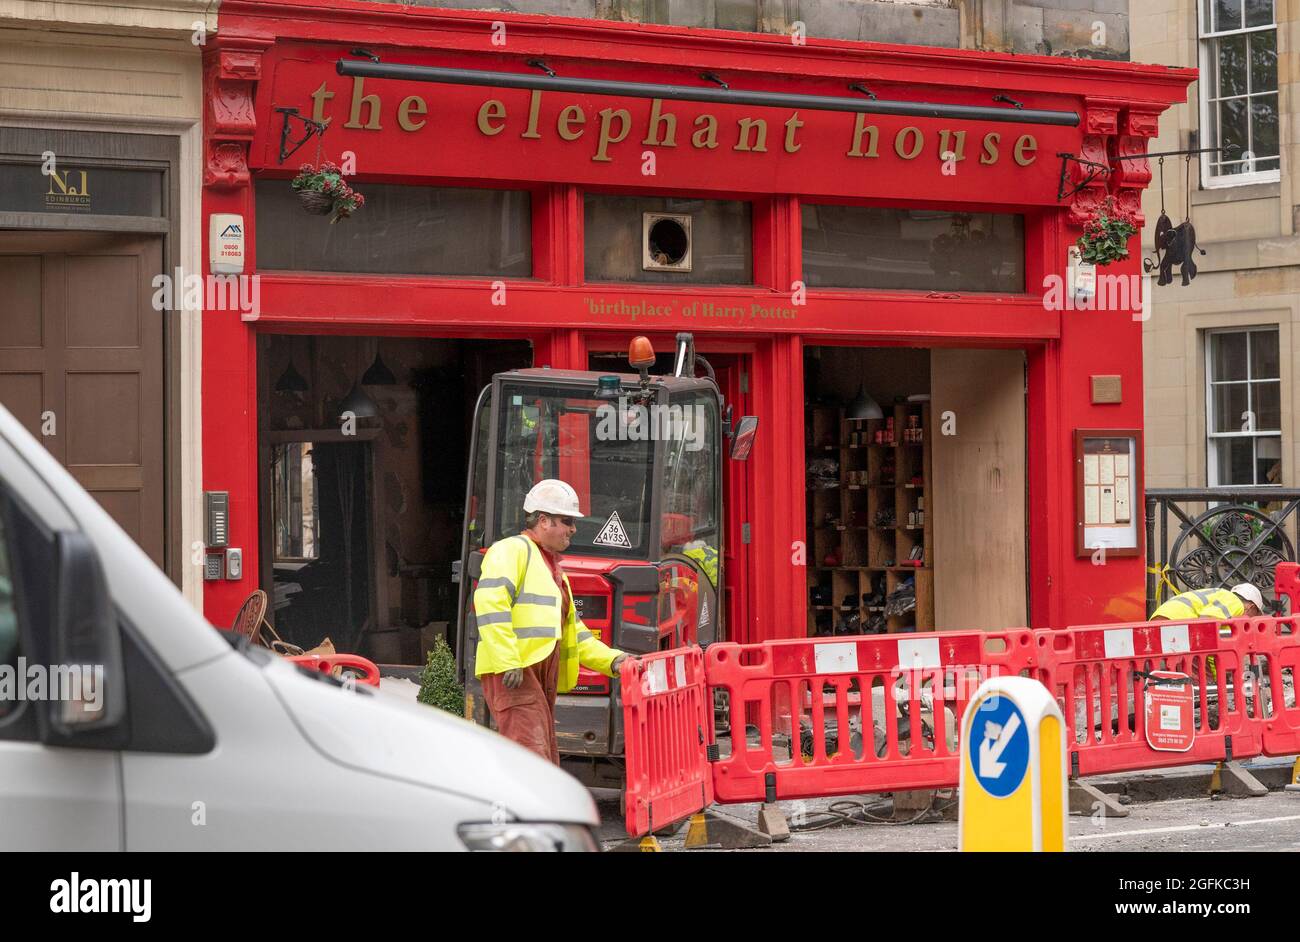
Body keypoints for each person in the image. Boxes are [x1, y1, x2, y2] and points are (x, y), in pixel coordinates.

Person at [472, 479, 631, 763]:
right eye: (566, 520)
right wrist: (509, 661)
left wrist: (614, 661)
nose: (573, 528)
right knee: (531, 758)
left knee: (542, 758)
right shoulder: (512, 550)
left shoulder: (554, 569)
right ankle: (526, 808)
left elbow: (576, 634)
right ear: (542, 520)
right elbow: (490, 604)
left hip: (534, 674)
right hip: (515, 673)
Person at [1150, 583, 1265, 622]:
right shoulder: (1236, 603)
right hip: (1176, 621)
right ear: (1251, 607)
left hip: (1161, 617)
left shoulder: (1222, 595)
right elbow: (1208, 624)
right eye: (1255, 615)